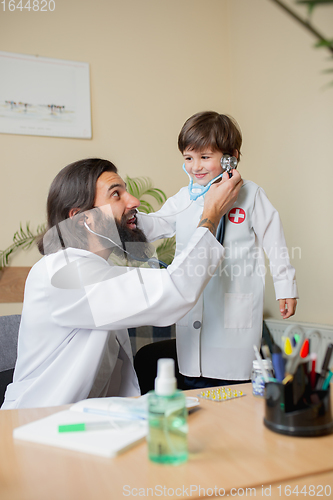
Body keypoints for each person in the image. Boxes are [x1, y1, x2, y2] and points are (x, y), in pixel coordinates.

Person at [1, 157, 242, 409]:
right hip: (37, 424)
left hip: (88, 420)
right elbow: (175, 290)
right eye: (116, 194)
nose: (134, 201)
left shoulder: (100, 271)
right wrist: (210, 216)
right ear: (83, 219)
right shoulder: (63, 274)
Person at [137, 111, 298, 389]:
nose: (195, 167)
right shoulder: (186, 197)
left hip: (235, 305)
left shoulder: (251, 194)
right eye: (188, 158)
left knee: (232, 385)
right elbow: (157, 225)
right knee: (193, 380)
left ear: (230, 157)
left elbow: (276, 243)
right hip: (195, 304)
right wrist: (127, 217)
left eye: (204, 157)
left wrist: (286, 287)